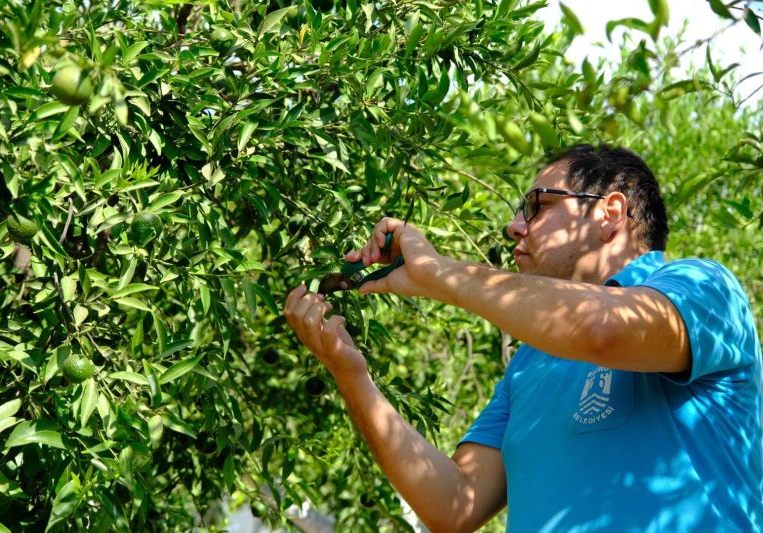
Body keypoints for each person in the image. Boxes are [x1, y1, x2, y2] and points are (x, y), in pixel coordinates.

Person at [284, 144, 763, 532]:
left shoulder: (703, 288)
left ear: (609, 214)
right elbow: (455, 505)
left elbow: (603, 330)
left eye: (538, 205)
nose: (515, 226)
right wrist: (351, 375)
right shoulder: (531, 361)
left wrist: (439, 272)